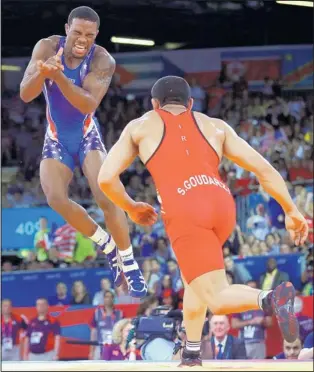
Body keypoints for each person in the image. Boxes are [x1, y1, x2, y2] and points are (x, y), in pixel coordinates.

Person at [97, 75, 308, 367]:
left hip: (185, 208)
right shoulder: (216, 126)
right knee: (194, 281)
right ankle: (192, 353)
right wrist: (291, 209)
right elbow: (264, 168)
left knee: (217, 298)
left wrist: (131, 207)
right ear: (191, 104)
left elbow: (105, 178)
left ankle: (271, 299)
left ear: (154, 104)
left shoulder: (141, 125)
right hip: (222, 205)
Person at [19, 6, 146, 297]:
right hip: (57, 138)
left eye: (88, 35)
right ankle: (107, 245)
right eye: (76, 32)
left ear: (96, 35)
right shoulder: (47, 47)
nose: (81, 39)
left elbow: (88, 104)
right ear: (66, 29)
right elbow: (26, 94)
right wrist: (43, 72)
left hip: (86, 135)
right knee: (55, 198)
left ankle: (129, 262)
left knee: (106, 195)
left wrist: (60, 77)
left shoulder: (102, 59)